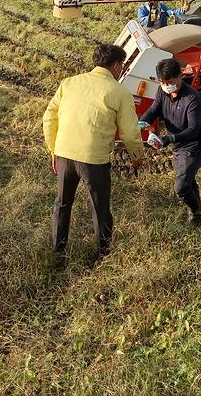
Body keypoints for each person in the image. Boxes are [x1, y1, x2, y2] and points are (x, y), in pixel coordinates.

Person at [42, 44, 144, 259]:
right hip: (93, 159)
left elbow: (49, 118)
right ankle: (103, 254)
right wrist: (137, 156)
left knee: (62, 203)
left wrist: (53, 150)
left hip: (64, 153)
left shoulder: (69, 83)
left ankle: (58, 250)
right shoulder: (119, 92)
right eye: (122, 65)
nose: (122, 70)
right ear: (116, 66)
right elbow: (129, 133)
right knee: (100, 208)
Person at [139, 58, 201, 227]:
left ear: (180, 77)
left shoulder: (192, 98)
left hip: (193, 145)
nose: (166, 85)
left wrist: (169, 138)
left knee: (181, 188)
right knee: (188, 180)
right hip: (177, 145)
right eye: (163, 82)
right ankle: (196, 206)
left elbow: (193, 128)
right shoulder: (162, 92)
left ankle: (195, 212)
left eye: (169, 82)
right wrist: (143, 121)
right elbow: (154, 109)